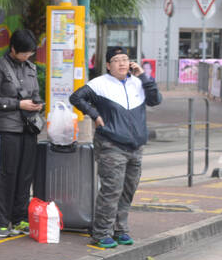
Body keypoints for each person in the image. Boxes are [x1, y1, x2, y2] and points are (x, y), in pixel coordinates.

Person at [69, 45, 162, 249]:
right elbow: (76, 97)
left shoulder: (138, 83)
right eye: (117, 60)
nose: (122, 63)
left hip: (135, 146)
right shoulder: (100, 84)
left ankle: (120, 229)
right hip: (111, 144)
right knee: (111, 189)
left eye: (125, 59)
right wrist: (95, 115)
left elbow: (156, 100)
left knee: (128, 190)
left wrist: (144, 77)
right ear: (109, 65)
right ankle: (101, 232)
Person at [0, 28, 44, 238]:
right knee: (5, 175)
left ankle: (20, 219)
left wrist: (37, 105)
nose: (28, 56)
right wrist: (18, 104)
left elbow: (35, 93)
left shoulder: (31, 68)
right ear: (13, 49)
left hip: (29, 128)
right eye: (24, 52)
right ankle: (0, 221)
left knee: (25, 176)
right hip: (7, 129)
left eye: (30, 53)